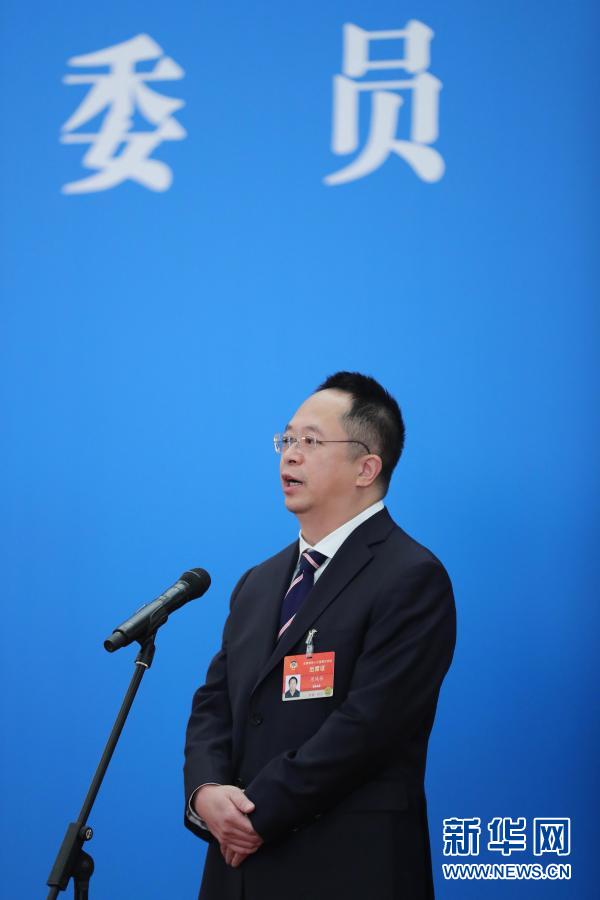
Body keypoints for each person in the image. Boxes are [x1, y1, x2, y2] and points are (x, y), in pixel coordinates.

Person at [183, 372, 456, 900]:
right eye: (286, 439)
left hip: (347, 867)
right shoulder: (258, 582)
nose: (290, 454)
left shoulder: (411, 577)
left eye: (310, 441)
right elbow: (214, 704)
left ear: (366, 467)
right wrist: (206, 792)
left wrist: (255, 814)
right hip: (236, 872)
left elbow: (368, 727)